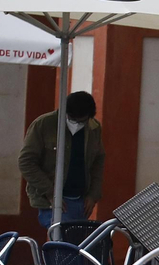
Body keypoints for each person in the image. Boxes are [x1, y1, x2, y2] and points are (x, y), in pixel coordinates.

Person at [19, 90, 104, 232]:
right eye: (72, 118)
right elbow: (26, 161)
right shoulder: (43, 125)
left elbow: (98, 161)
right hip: (52, 201)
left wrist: (93, 194)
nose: (76, 123)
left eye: (81, 121)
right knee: (62, 242)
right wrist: (50, 192)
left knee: (78, 246)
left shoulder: (93, 127)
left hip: (81, 201)